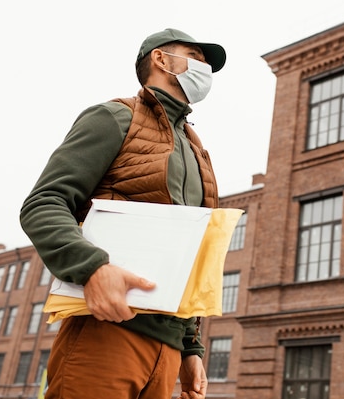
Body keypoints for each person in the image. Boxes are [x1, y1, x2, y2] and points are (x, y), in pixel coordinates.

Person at [20, 28, 226, 399]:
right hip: (107, 330)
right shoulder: (115, 116)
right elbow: (43, 203)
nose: (205, 68)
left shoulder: (197, 151)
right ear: (161, 59)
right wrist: (92, 267)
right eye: (196, 57)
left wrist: (191, 348)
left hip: (168, 350)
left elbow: (192, 255)